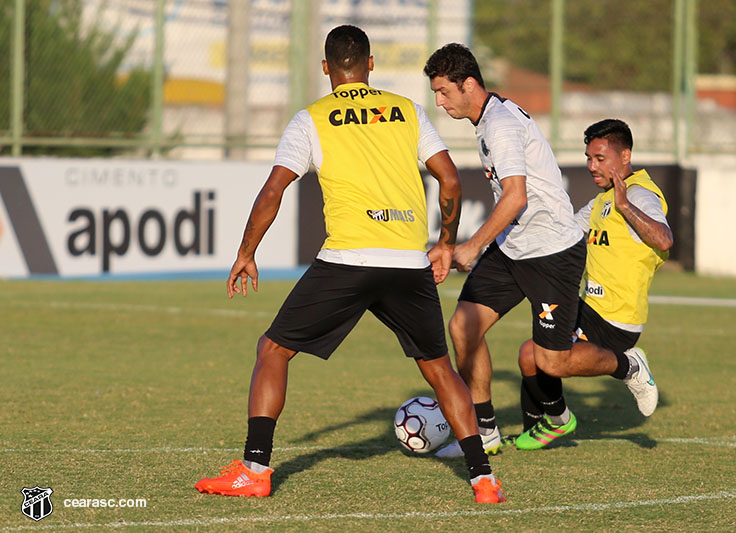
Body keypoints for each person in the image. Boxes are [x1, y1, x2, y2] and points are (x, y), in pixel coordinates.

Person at [194, 25, 504, 504]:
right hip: (407, 261)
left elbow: (274, 190)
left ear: (325, 69)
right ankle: (483, 480)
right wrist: (444, 243)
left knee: (273, 350)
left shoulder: (311, 118)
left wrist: (246, 253)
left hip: (347, 260)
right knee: (441, 370)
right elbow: (450, 181)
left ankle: (255, 469)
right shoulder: (407, 110)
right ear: (371, 65)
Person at [423, 43, 587, 458]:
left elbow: (515, 196)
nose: (439, 102)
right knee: (464, 327)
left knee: (552, 362)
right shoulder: (488, 118)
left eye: (444, 92)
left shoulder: (498, 125)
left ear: (470, 84)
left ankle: (627, 366)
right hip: (513, 246)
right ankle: (484, 430)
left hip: (551, 252)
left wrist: (472, 247)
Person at [514, 119, 672, 449]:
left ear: (625, 156)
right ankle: (548, 423)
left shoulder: (640, 195)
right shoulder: (602, 201)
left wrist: (626, 205)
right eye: (588, 158)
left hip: (617, 318)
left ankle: (629, 365)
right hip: (587, 308)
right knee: (530, 354)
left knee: (549, 359)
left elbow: (664, 238)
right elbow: (567, 234)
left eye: (600, 158)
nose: (591, 166)